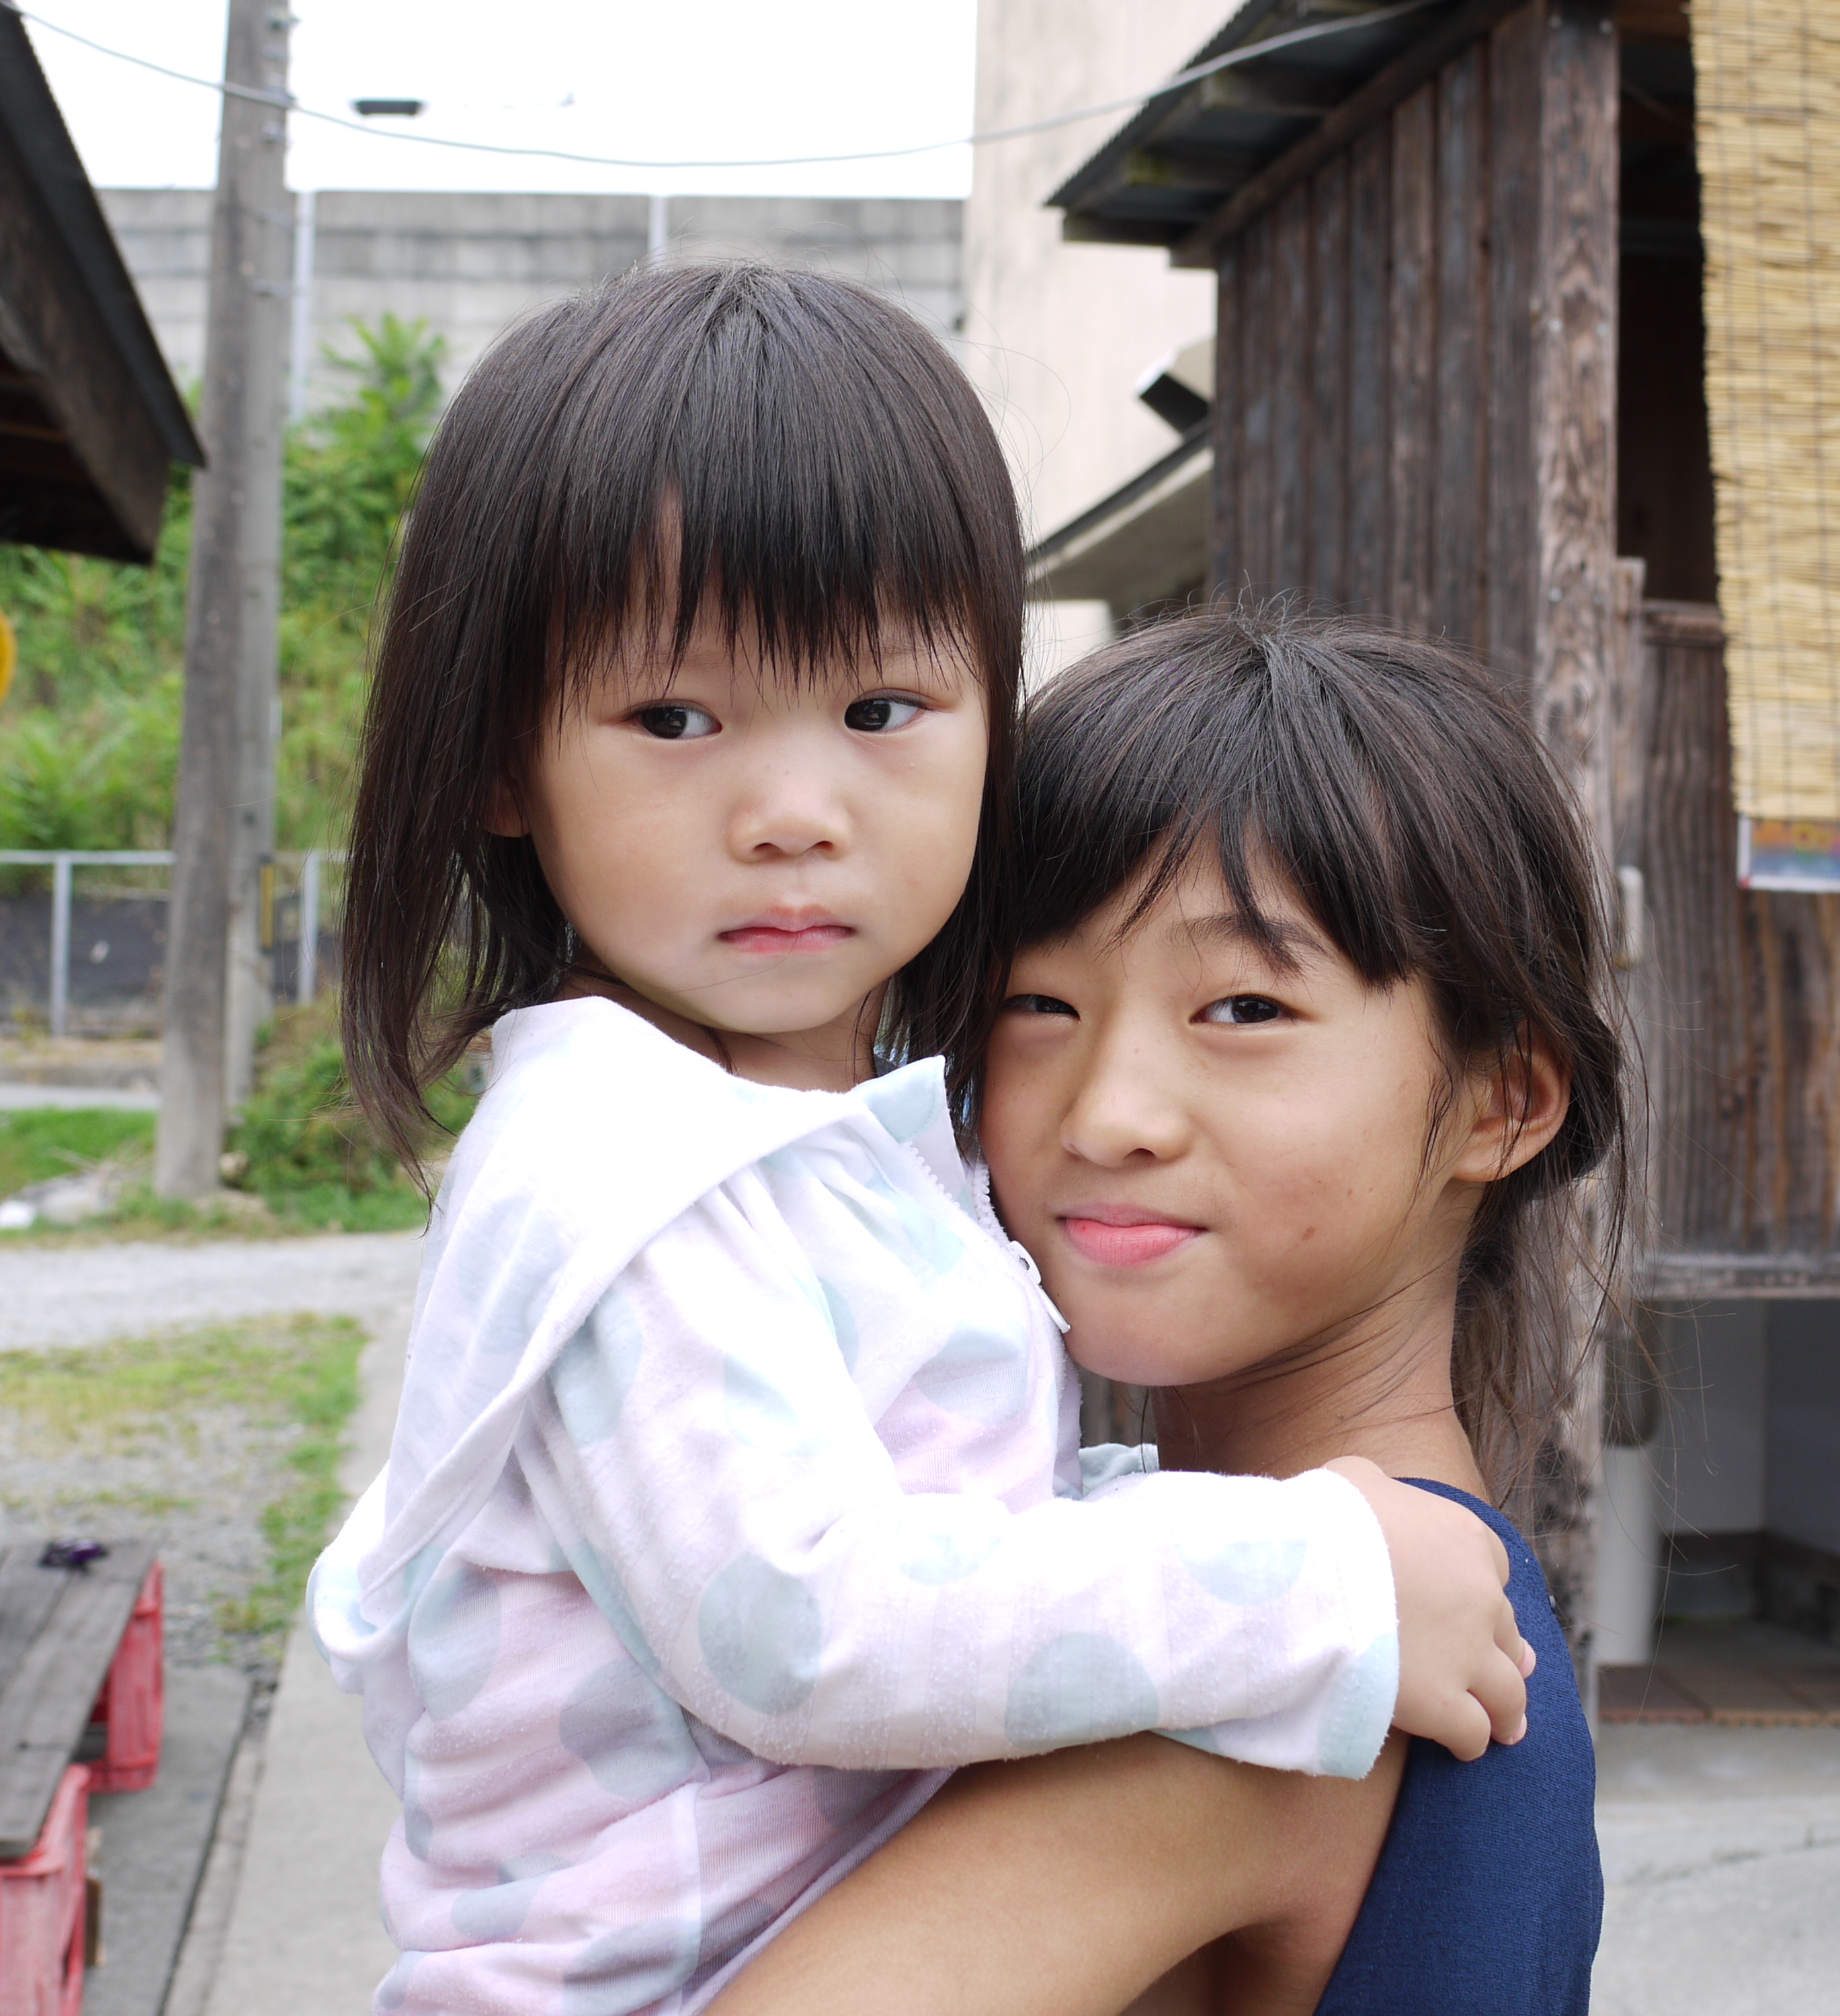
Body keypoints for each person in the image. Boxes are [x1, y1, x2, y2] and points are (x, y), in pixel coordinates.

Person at [307, 266, 1534, 2016]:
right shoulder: (620, 1163)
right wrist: (1298, 1576)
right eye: (673, 719)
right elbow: (796, 1621)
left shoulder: (832, 1133)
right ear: (503, 762)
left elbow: (944, 1527)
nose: (792, 814)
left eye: (879, 712)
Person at [713, 610, 1617, 2016]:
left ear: (1502, 1101)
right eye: (1035, 1001)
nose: (1110, 1114)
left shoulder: (1278, 1671)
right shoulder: (1257, 1600)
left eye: (1245, 1008)